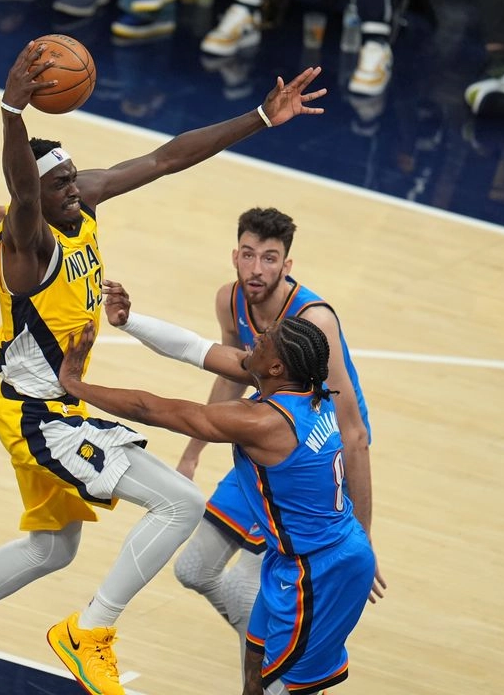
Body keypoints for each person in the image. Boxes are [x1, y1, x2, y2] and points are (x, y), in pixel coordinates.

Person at [0, 43, 328, 695]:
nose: (80, 189)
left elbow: (165, 157)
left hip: (51, 404)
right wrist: (11, 110)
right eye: (61, 184)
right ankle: (91, 630)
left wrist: (260, 116)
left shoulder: (76, 198)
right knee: (180, 505)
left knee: (51, 548)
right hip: (38, 413)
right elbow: (22, 186)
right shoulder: (29, 243)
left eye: (74, 178)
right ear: (32, 195)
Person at [57, 314, 377, 695]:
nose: (257, 336)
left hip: (324, 571)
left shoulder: (264, 423)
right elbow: (198, 349)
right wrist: (130, 321)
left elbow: (153, 410)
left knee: (286, 688)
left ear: (276, 367)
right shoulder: (307, 386)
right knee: (254, 668)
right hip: (297, 557)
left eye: (267, 338)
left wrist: (75, 385)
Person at [134, 207, 381, 673]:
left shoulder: (314, 320)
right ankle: (284, 662)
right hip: (265, 445)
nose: (256, 269)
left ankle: (281, 674)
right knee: (194, 570)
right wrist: (191, 456)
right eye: (249, 255)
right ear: (235, 255)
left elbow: (354, 434)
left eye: (270, 259)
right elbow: (233, 375)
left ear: (287, 266)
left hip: (313, 459)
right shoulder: (230, 301)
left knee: (252, 587)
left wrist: (363, 538)